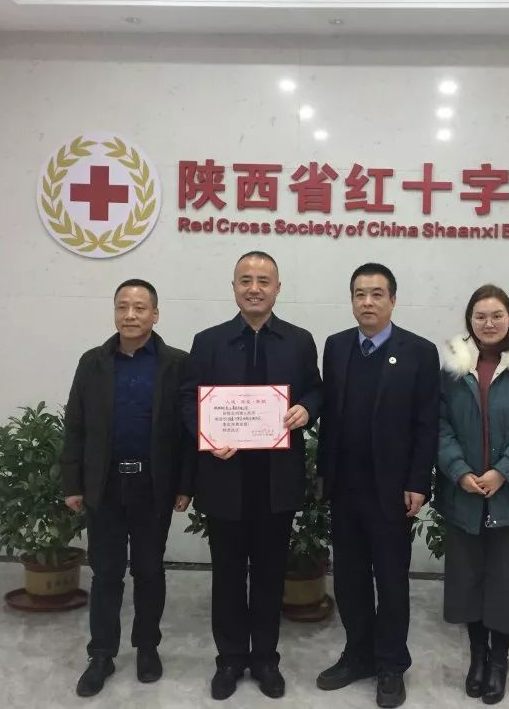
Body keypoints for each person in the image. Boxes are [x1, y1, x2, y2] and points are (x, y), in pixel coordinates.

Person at [180, 251, 323, 701]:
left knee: (269, 575)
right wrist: (206, 433)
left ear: (278, 288)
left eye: (264, 281)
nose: (254, 288)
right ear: (234, 287)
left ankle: (264, 659)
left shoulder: (299, 341)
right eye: (246, 280)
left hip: (276, 482)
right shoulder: (208, 341)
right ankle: (228, 659)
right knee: (226, 576)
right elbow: (187, 399)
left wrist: (307, 409)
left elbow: (317, 389)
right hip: (224, 479)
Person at [60, 279, 194, 698]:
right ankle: (101, 654)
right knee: (106, 573)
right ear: (115, 312)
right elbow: (75, 425)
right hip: (105, 484)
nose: (130, 315)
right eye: (123, 307)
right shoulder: (93, 362)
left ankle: (147, 647)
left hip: (154, 485)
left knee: (149, 571)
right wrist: (72, 483)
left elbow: (187, 432)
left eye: (140, 307)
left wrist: (185, 484)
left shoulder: (177, 363)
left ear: (156, 314)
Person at [316, 262, 440, 709]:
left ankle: (390, 664)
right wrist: (323, 477)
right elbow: (330, 417)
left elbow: (427, 423)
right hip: (345, 488)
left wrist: (418, 481)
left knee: (390, 582)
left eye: (376, 294)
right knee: (349, 580)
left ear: (392, 300)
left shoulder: (419, 351)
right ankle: (358, 654)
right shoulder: (336, 347)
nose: (367, 302)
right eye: (359, 294)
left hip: (391, 491)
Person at [435, 284, 509, 705]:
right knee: (468, 581)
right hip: (464, 493)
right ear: (469, 320)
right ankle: (477, 658)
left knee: (507, 583)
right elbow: (439, 426)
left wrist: (503, 472)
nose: (488, 323)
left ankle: (498, 662)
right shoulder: (452, 371)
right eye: (480, 316)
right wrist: (460, 471)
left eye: (496, 315)